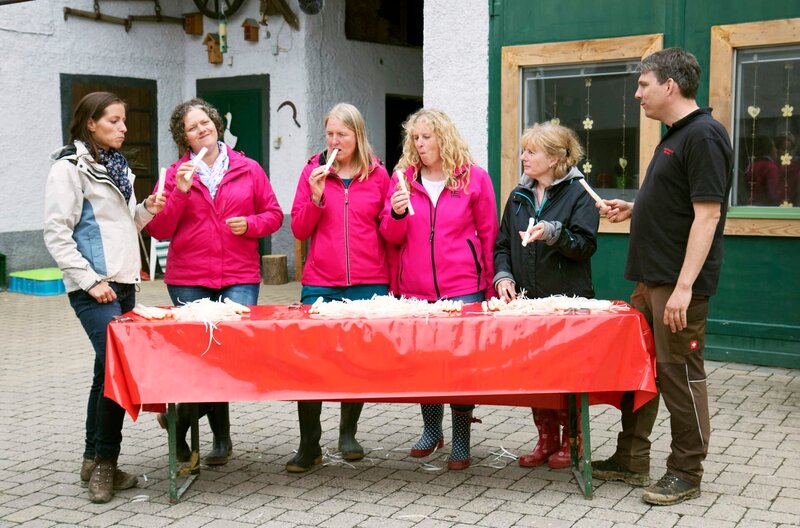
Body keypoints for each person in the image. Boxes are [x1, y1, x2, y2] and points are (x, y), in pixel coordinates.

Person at [595, 48, 733, 506]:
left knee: (680, 375)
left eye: (643, 84)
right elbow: (679, 203)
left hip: (676, 287)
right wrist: (636, 208)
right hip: (650, 279)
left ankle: (686, 471)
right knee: (641, 371)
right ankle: (631, 458)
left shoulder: (705, 136)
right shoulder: (677, 135)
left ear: (669, 85)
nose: (637, 94)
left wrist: (684, 288)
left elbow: (707, 216)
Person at [146, 98, 284, 466]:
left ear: (216, 125)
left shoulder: (248, 167)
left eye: (205, 122)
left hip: (239, 275)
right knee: (199, 359)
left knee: (230, 356)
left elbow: (273, 214)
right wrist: (180, 192)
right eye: (193, 127)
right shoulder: (175, 174)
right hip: (189, 278)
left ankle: (181, 421)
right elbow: (158, 229)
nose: (202, 129)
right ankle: (218, 442)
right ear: (184, 138)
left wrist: (251, 225)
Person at [43, 92, 166, 503]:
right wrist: (90, 280)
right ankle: (106, 466)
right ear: (90, 124)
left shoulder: (119, 167)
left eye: (125, 120)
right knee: (116, 369)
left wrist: (148, 207)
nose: (124, 127)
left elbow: (127, 225)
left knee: (104, 372)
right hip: (94, 288)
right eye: (114, 121)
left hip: (124, 283)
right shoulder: (69, 168)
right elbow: (57, 232)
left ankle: (90, 458)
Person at [381, 108, 498, 470]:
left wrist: (492, 286)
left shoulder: (473, 178)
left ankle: (461, 439)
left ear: (443, 137)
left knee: (460, 367)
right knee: (424, 364)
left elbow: (489, 233)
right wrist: (397, 214)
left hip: (463, 287)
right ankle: (432, 431)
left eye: (427, 137)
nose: (420, 144)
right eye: (415, 138)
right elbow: (390, 235)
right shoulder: (402, 179)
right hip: (416, 290)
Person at [288, 103, 391, 472]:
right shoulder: (312, 172)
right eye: (330, 134)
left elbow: (391, 234)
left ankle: (348, 433)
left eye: (342, 135)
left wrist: (396, 212)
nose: (334, 141)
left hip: (369, 281)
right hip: (321, 282)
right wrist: (315, 196)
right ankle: (309, 445)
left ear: (357, 136)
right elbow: (299, 230)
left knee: (356, 361)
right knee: (310, 362)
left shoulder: (378, 175)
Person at [493, 122, 598, 470]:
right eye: (523, 150)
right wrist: (503, 277)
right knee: (535, 374)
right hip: (527, 303)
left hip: (567, 305)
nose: (523, 157)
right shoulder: (518, 196)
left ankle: (574, 441)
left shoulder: (578, 195)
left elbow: (585, 246)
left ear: (554, 158)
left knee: (567, 373)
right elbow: (503, 245)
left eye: (531, 151)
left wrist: (554, 233)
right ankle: (546, 439)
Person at [744, 136, 781, 205]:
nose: (776, 150)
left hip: (753, 204)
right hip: (766, 206)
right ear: (769, 149)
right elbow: (774, 193)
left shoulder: (753, 165)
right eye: (774, 147)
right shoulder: (771, 167)